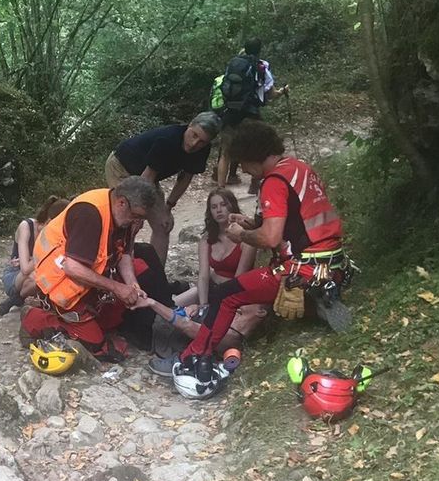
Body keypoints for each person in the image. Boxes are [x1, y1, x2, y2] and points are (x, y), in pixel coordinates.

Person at [175, 120, 347, 391]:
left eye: (242, 162)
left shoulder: (273, 182)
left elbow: (271, 238)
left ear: (252, 156)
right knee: (254, 292)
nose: (242, 169)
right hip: (332, 263)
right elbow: (294, 221)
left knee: (225, 295)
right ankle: (319, 300)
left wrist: (241, 235)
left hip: (300, 268)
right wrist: (249, 223)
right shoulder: (299, 168)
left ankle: (195, 356)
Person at [20, 176, 167, 361]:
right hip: (61, 283)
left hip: (89, 277)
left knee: (142, 271)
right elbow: (72, 267)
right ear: (122, 203)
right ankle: (35, 319)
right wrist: (117, 288)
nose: (137, 222)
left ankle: (98, 317)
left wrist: (133, 285)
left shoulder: (124, 216)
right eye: (136, 216)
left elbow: (125, 253)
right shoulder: (90, 213)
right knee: (97, 344)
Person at [135, 188, 268, 374]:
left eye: (223, 205)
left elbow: (239, 278)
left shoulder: (244, 238)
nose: (219, 210)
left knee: (194, 320)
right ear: (210, 212)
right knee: (169, 307)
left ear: (232, 207)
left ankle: (187, 350)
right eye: (214, 207)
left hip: (233, 290)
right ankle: (149, 338)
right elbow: (204, 275)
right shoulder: (207, 240)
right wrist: (203, 304)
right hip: (209, 288)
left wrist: (208, 306)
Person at [104, 112, 222, 264]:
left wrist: (169, 206)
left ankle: (157, 275)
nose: (194, 144)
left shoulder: (202, 150)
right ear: (190, 125)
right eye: (194, 135)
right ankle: (119, 267)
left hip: (148, 177)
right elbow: (146, 179)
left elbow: (185, 178)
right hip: (122, 167)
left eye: (202, 142)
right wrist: (137, 213)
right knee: (128, 221)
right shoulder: (167, 140)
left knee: (163, 224)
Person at [214, 38, 289, 193]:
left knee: (225, 152)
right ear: (259, 49)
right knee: (260, 146)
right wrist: (282, 91)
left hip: (231, 111)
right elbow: (270, 94)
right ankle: (255, 185)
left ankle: (220, 189)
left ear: (245, 48)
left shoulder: (234, 63)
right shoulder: (261, 66)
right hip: (250, 113)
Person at [0, 195, 71, 316]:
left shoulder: (57, 236)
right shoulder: (27, 227)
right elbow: (25, 269)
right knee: (36, 275)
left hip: (35, 274)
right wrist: (46, 255)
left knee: (49, 275)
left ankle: (19, 300)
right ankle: (17, 298)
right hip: (16, 275)